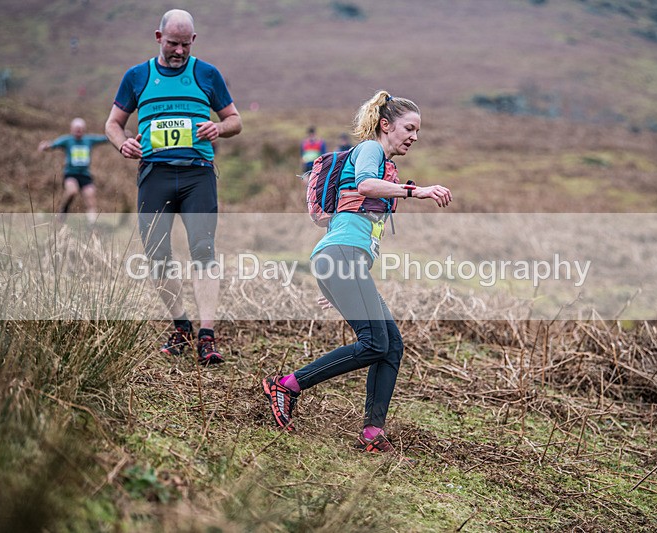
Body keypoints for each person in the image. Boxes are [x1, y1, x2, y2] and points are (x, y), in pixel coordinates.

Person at [263, 91, 452, 453]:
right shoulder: (370, 150)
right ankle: (287, 385)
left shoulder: (386, 165)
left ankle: (372, 433)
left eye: (418, 131)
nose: (414, 137)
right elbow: (364, 185)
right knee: (375, 343)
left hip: (346, 263)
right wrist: (417, 191)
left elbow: (359, 226)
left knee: (391, 346)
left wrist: (338, 287)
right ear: (386, 125)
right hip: (340, 258)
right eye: (409, 128)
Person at [105, 8, 242, 365]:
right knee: (157, 254)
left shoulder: (207, 74)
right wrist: (123, 144)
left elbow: (234, 120)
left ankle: (207, 336)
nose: (179, 51)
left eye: (185, 44)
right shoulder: (137, 76)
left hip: (198, 175)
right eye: (172, 44)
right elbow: (113, 123)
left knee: (203, 250)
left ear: (193, 40)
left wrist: (218, 128)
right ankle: (181, 324)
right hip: (155, 175)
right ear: (158, 37)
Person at [38, 118, 108, 224]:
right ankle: (63, 211)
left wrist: (121, 134)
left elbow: (104, 139)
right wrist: (45, 146)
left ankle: (92, 224)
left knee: (91, 197)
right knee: (72, 191)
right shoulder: (67, 140)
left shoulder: (89, 140)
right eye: (76, 129)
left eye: (80, 129)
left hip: (85, 175)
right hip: (71, 174)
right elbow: (54, 144)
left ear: (84, 130)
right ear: (71, 129)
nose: (78, 131)